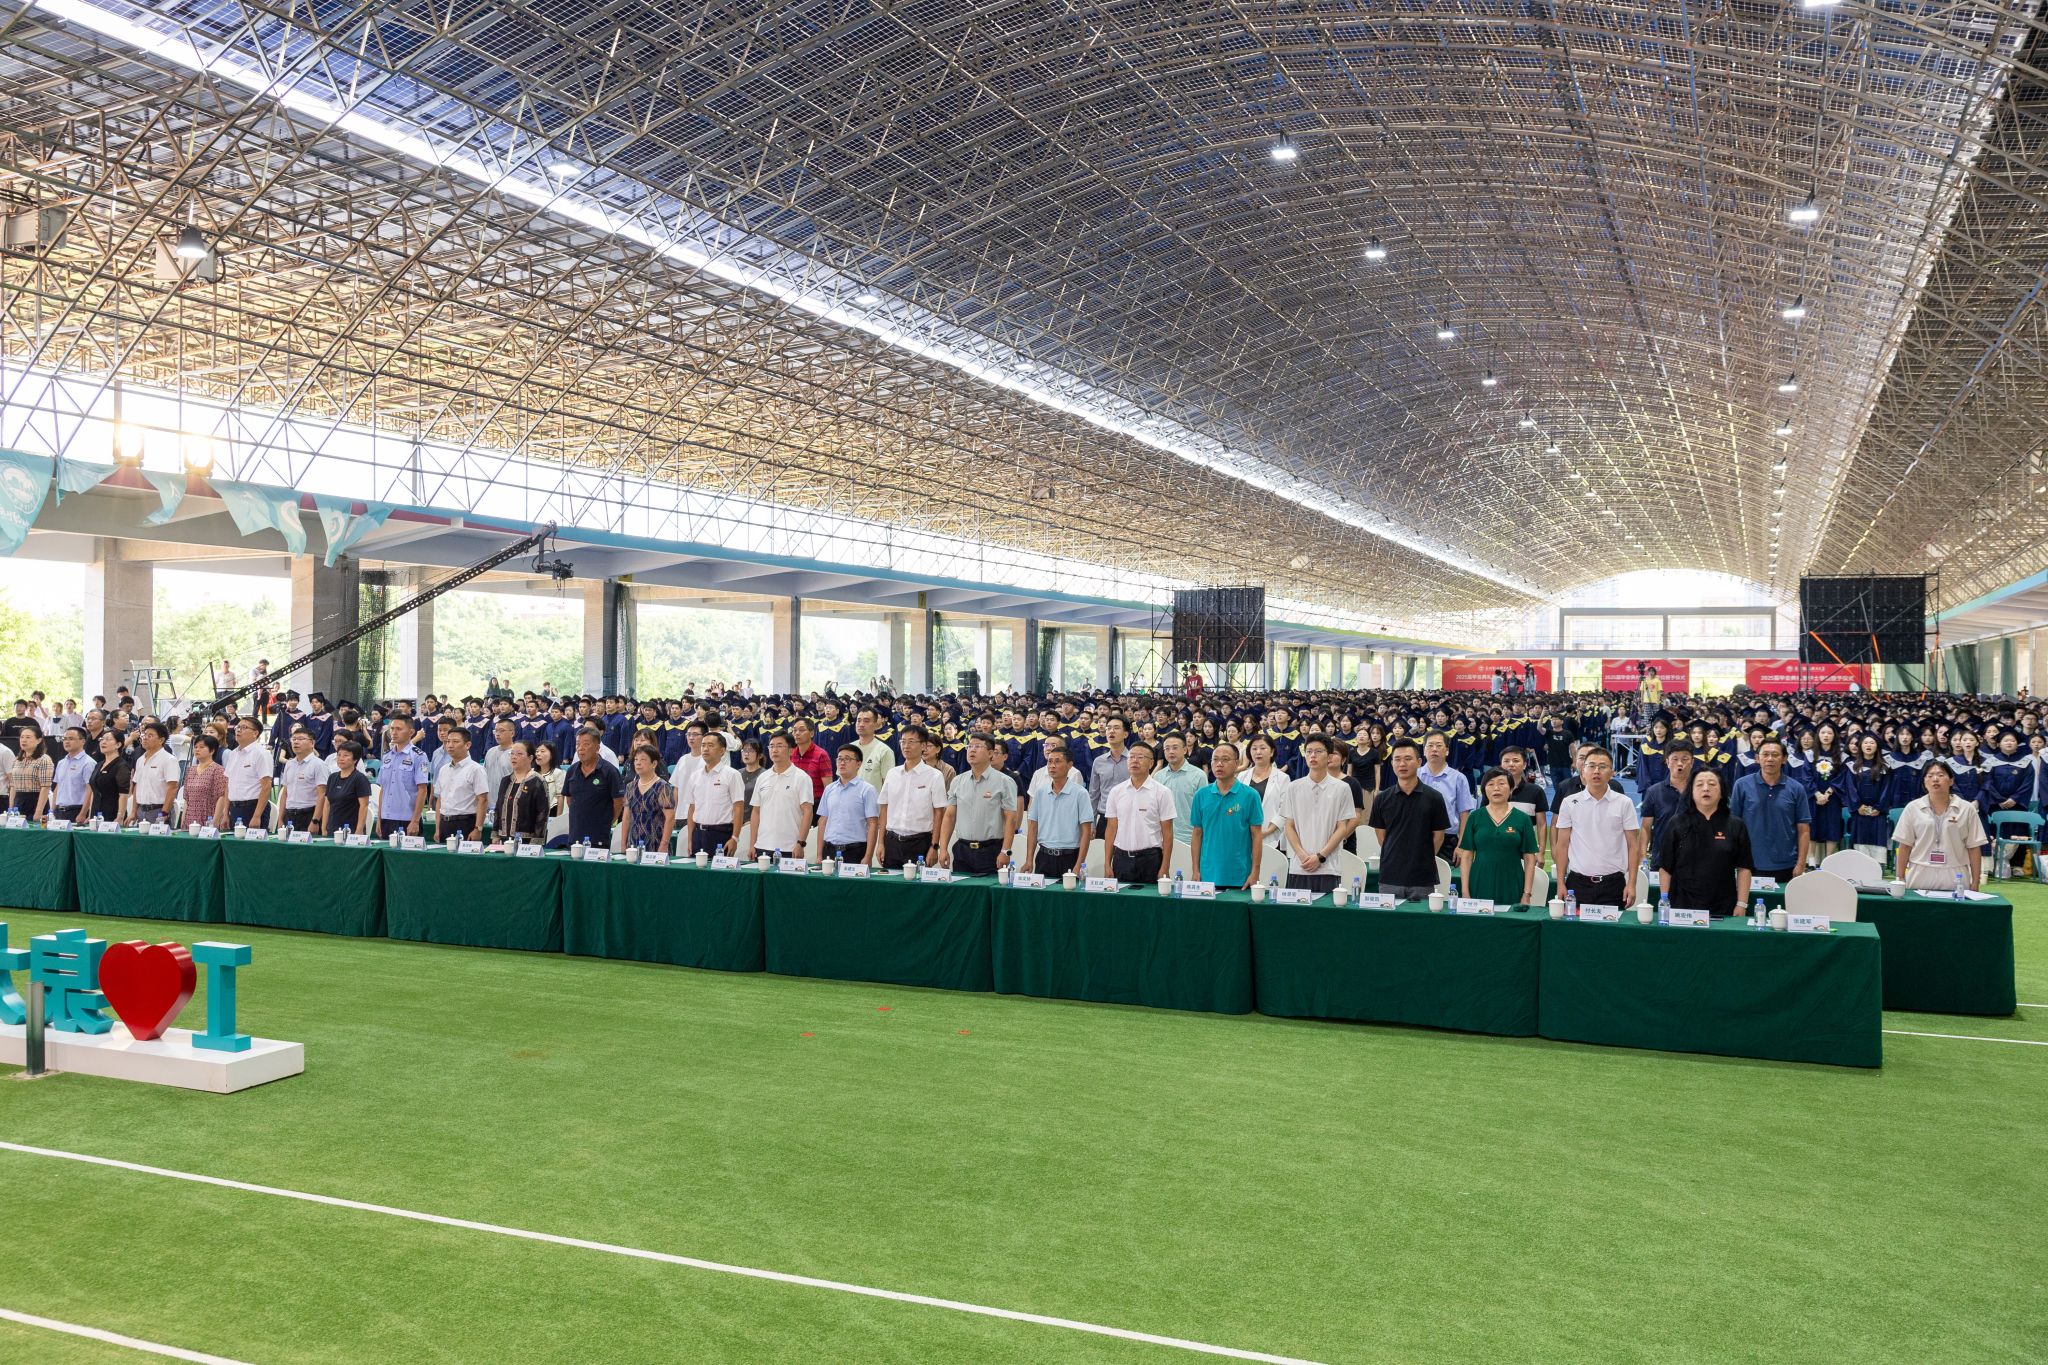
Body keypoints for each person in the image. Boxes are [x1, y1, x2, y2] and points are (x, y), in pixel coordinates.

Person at [1654, 768, 1753, 915]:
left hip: (1724, 906)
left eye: (1712, 784)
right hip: (1682, 906)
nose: (1706, 788)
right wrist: (1665, 901)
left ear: (1721, 792)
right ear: (1691, 792)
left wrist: (1741, 904)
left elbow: (1744, 868)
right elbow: (1665, 867)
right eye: (1699, 784)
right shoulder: (1677, 823)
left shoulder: (1735, 825)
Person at [1552, 746, 1641, 908]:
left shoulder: (1624, 803)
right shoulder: (1569, 802)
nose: (1596, 771)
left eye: (1602, 766)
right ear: (1583, 770)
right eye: (1591, 766)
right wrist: (1560, 883)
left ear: (1612, 772)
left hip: (1613, 884)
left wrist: (1632, 883)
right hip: (1577, 884)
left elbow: (1633, 846)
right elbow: (1562, 845)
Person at [1368, 738, 1450, 901]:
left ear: (1419, 762)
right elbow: (1381, 837)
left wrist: (1421, 857)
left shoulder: (1434, 798)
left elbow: (1439, 836)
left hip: (1422, 877)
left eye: (1407, 759)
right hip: (1390, 876)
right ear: (1392, 764)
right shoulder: (1382, 799)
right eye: (1397, 759)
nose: (1402, 764)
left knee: (1420, 917)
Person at [1894, 759, 1986, 891]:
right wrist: (1900, 878)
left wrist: (1975, 882)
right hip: (1920, 872)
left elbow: (1974, 848)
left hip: (1956, 874)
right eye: (1930, 776)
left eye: (1941, 775)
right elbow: (1905, 846)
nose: (1935, 779)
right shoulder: (1912, 808)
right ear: (1924, 782)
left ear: (1951, 781)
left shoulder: (1966, 809)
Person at [1729, 737, 1813, 883]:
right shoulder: (1741, 785)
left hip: (1786, 865)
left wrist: (1800, 864)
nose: (1770, 759)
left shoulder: (1796, 788)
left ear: (1784, 759)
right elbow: (1733, 826)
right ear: (1757, 758)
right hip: (1748, 864)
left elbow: (1804, 830)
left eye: (1775, 755)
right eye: (1765, 754)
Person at [1283, 733, 1358, 894]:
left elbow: (1342, 827)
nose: (1313, 755)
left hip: (1329, 867)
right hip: (1300, 866)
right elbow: (1289, 826)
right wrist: (1302, 855)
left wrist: (1320, 856)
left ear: (1329, 757)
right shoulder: (1293, 787)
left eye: (1318, 751)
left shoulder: (1342, 788)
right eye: (1309, 751)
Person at [1455, 767, 1539, 906]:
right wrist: (1465, 892)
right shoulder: (1475, 817)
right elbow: (1467, 856)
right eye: (1491, 784)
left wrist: (1526, 894)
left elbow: (1530, 858)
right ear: (1484, 790)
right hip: (1480, 881)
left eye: (1501, 783)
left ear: (1511, 789)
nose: (1496, 788)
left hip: (1512, 882)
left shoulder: (1523, 819)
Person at [1188, 741, 1263, 889]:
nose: (1219, 764)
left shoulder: (1250, 795)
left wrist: (1255, 871)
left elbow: (1257, 835)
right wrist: (1195, 870)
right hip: (1207, 876)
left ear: (1237, 763)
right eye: (1215, 759)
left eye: (1225, 759)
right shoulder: (1201, 795)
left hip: (1240, 876)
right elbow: (1197, 834)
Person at [941, 734, 1018, 876]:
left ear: (990, 753)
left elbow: (1011, 819)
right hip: (962, 850)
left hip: (991, 851)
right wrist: (943, 848)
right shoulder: (958, 781)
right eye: (970, 746)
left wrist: (1005, 851)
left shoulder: (1005, 781)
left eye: (977, 746)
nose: (972, 750)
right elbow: (949, 816)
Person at [1102, 740, 1176, 884]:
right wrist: (1107, 863)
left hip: (1150, 859)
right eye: (1131, 757)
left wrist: (1165, 866)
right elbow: (1111, 829)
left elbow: (1167, 833)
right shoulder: (1116, 792)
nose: (1135, 761)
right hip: (1121, 858)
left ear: (1151, 763)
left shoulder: (1162, 792)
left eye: (1140, 757)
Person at [877, 725, 948, 868]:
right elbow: (884, 808)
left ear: (923, 746)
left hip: (920, 842)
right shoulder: (892, 774)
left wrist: (934, 846)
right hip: (892, 841)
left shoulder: (934, 776)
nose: (906, 746)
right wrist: (880, 843)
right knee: (890, 881)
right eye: (903, 741)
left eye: (911, 742)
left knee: (918, 882)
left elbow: (939, 813)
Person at [1021, 740, 1093, 877]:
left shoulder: (1080, 793)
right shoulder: (1040, 792)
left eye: (1057, 762)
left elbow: (1086, 831)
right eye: (1050, 762)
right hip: (1044, 856)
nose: (1052, 766)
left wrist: (1079, 864)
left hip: (1070, 857)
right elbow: (1033, 827)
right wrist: (1029, 859)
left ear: (1069, 765)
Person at [749, 732, 814, 860]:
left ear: (791, 750)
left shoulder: (802, 777)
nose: (774, 750)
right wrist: (752, 844)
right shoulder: (762, 777)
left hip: (790, 848)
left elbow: (808, 812)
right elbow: (756, 812)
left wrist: (800, 843)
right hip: (762, 846)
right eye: (771, 746)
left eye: (779, 746)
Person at [683, 731, 746, 857]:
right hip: (698, 834)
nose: (705, 749)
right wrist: (690, 838)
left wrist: (734, 838)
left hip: (721, 833)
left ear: (722, 750)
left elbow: (738, 807)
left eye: (711, 745)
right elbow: (692, 808)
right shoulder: (695, 776)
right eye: (703, 745)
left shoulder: (732, 775)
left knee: (719, 870)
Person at [814, 744, 879, 864]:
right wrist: (819, 854)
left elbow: (873, 824)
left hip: (855, 851)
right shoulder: (829, 789)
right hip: (829, 850)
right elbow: (822, 821)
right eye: (839, 759)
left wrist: (868, 857)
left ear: (858, 764)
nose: (842, 763)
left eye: (847, 759)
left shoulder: (867, 790)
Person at [561, 726, 624, 849]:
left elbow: (618, 802)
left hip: (599, 836)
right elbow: (569, 800)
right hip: (575, 835)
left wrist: (606, 822)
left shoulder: (609, 771)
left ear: (597, 748)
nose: (580, 748)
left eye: (586, 744)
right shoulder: (572, 770)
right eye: (578, 744)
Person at [1417, 730, 1476, 857]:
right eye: (1430, 745)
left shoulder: (1459, 778)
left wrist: (1461, 845)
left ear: (1447, 751)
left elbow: (1464, 814)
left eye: (1439, 745)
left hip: (1448, 839)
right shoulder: (1414, 776)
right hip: (1417, 836)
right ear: (1424, 750)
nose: (1434, 749)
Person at [1635, 739, 1695, 865]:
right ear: (1667, 762)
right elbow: (1645, 827)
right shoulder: (1654, 792)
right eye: (1675, 759)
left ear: (1692, 762)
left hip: (1694, 860)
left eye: (1685, 759)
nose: (1680, 764)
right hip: (1662, 860)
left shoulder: (1701, 791)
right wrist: (1642, 856)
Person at [377, 715, 430, 839]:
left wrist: (415, 820)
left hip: (407, 818)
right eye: (392, 728)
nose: (394, 732)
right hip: (387, 817)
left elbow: (422, 790)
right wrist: (379, 818)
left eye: (399, 729)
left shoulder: (419, 756)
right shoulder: (387, 756)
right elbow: (383, 789)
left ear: (411, 732)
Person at [489, 740, 550, 846]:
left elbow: (542, 813)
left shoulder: (537, 781)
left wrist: (536, 842)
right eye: (512, 753)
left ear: (530, 758)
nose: (514, 757)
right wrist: (495, 835)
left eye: (519, 754)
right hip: (503, 840)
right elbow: (498, 809)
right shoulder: (505, 780)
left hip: (527, 841)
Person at [434, 727, 490, 841]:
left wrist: (478, 829)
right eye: (448, 741)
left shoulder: (476, 769)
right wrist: (437, 828)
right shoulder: (443, 769)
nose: (450, 745)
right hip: (445, 823)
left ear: (467, 745)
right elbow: (440, 799)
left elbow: (482, 800)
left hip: (466, 823)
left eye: (455, 741)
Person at [622, 742, 678, 853]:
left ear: (654, 763)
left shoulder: (662, 787)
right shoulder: (630, 787)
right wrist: (623, 843)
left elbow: (670, 817)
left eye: (643, 760)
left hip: (656, 843)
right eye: (636, 760)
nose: (638, 763)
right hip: (633, 844)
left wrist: (664, 844)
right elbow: (626, 817)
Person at [1151, 733, 1204, 842]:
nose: (1171, 751)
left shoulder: (1199, 775)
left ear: (1184, 750)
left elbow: (1204, 811)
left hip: (1189, 838)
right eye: (1167, 748)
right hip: (1162, 837)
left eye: (1175, 747)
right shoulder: (1158, 777)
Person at [223, 716, 273, 830]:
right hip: (234, 808)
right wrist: (225, 813)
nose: (238, 730)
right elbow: (228, 785)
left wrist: (257, 816)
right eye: (238, 727)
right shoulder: (233, 754)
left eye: (244, 727)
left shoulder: (261, 754)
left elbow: (266, 786)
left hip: (253, 808)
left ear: (255, 733)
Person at [277, 726, 329, 831]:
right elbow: (285, 793)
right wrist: (280, 818)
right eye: (294, 739)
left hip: (309, 814)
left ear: (312, 743)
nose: (296, 742)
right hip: (289, 815)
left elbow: (322, 794)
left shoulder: (319, 765)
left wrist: (315, 821)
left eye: (301, 739)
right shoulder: (289, 764)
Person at [316, 741, 373, 836]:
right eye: (339, 755)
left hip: (351, 829)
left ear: (355, 759)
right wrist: (323, 827)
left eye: (346, 755)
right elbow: (327, 804)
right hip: (332, 828)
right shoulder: (332, 777)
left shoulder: (360, 778)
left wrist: (358, 831)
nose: (341, 758)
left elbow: (364, 806)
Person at [181, 733, 227, 829]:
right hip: (190, 818)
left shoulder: (218, 770)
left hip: (209, 817)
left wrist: (215, 820)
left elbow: (222, 797)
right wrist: (183, 819)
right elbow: (187, 798)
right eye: (196, 747)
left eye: (202, 747)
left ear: (212, 751)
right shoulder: (190, 770)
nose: (197, 749)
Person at [50, 725, 93, 823]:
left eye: (71, 739)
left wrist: (83, 813)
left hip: (76, 811)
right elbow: (57, 787)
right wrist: (52, 811)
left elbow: (90, 790)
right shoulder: (61, 762)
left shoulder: (88, 763)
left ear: (83, 741)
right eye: (64, 739)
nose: (67, 742)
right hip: (59, 811)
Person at [787, 718, 832, 802]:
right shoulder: (791, 754)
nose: (797, 733)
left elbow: (828, 787)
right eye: (794, 730)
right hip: (794, 801)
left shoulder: (821, 755)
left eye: (801, 730)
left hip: (815, 802)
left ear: (811, 733)